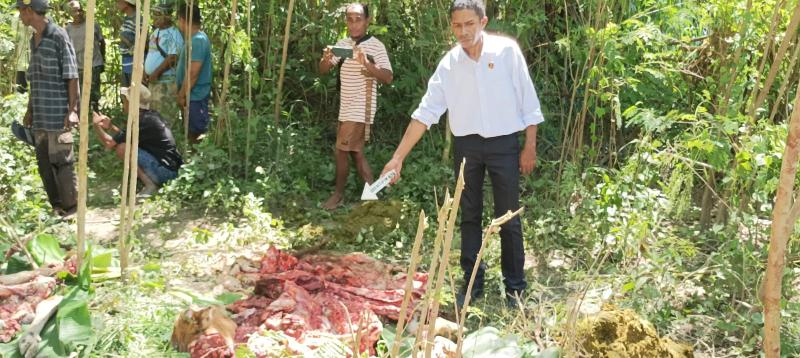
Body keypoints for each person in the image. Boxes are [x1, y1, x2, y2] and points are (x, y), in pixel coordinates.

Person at [380, 0, 544, 309]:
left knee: (508, 216)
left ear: (483, 22)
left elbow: (528, 102)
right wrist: (398, 157)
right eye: (457, 25)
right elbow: (426, 113)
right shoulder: (450, 64)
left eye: (470, 24)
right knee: (467, 214)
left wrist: (529, 146)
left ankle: (515, 287)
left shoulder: (507, 52)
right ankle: (471, 283)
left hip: (504, 144)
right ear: (451, 27)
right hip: (467, 146)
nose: (463, 31)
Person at [318, 3, 393, 209]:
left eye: (358, 19)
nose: (353, 24)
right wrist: (325, 59)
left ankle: (338, 195)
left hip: (361, 108)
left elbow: (387, 77)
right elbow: (324, 69)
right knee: (355, 152)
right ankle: (373, 191)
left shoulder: (376, 46)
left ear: (367, 21)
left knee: (341, 151)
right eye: (349, 19)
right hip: (346, 107)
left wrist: (366, 63)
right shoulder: (342, 44)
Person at [15, 0, 81, 218]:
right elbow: (35, 80)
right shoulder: (34, 40)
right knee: (44, 163)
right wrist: (30, 109)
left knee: (63, 161)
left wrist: (73, 110)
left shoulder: (58, 36)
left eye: (21, 12)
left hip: (58, 114)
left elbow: (72, 76)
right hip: (41, 116)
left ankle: (72, 208)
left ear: (30, 11)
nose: (20, 16)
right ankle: (57, 206)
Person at [92, 85, 183, 197]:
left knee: (123, 148)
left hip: (165, 172)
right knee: (125, 146)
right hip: (171, 169)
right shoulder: (149, 117)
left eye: (125, 100)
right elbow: (125, 136)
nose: (123, 103)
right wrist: (111, 127)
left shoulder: (140, 121)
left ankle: (150, 185)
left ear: (132, 104)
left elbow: (109, 144)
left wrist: (96, 126)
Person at [175, 1, 212, 144]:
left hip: (195, 95)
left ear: (183, 20)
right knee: (192, 131)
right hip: (192, 94)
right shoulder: (194, 39)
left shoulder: (198, 40)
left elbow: (193, 73)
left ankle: (199, 163)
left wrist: (182, 94)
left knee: (197, 133)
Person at [144, 1, 183, 127]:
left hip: (165, 83)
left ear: (166, 17)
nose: (153, 18)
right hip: (153, 83)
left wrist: (156, 72)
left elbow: (173, 57)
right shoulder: (155, 32)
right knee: (153, 116)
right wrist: (146, 72)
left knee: (165, 119)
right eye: (153, 14)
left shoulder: (174, 33)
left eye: (157, 14)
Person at [65, 0, 105, 111]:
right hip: (78, 66)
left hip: (94, 64)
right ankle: (82, 116)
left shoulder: (93, 25)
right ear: (70, 14)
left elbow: (102, 42)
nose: (78, 13)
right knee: (80, 94)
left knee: (94, 93)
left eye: (80, 10)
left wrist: (103, 60)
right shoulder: (68, 29)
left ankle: (96, 115)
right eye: (74, 11)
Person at [12, 15, 32, 93]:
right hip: (20, 59)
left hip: (34, 59)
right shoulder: (16, 17)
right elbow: (14, 35)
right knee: (20, 86)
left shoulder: (36, 15)